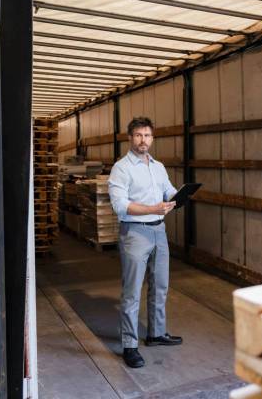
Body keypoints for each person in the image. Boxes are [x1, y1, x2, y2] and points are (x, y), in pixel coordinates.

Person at [108, 116, 182, 368]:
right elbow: (120, 206)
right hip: (135, 233)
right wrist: (153, 207)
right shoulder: (121, 168)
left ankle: (156, 333)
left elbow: (168, 190)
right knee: (132, 291)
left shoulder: (158, 166)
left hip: (159, 231)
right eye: (138, 135)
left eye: (147, 135)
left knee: (160, 285)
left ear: (152, 138)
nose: (143, 140)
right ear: (130, 138)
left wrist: (178, 196)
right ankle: (129, 344)